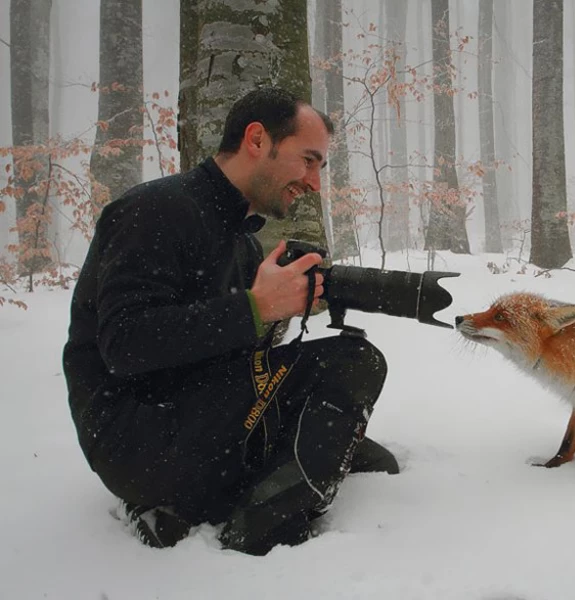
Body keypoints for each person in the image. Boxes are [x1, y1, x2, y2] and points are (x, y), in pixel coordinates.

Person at [63, 87, 399, 556]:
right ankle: (262, 530)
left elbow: (223, 352)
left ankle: (237, 482)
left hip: (193, 415)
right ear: (257, 140)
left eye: (320, 166)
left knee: (346, 422)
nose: (315, 182)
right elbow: (125, 345)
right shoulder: (155, 210)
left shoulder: (242, 243)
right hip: (137, 439)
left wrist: (277, 312)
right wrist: (255, 308)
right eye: (308, 160)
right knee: (354, 362)